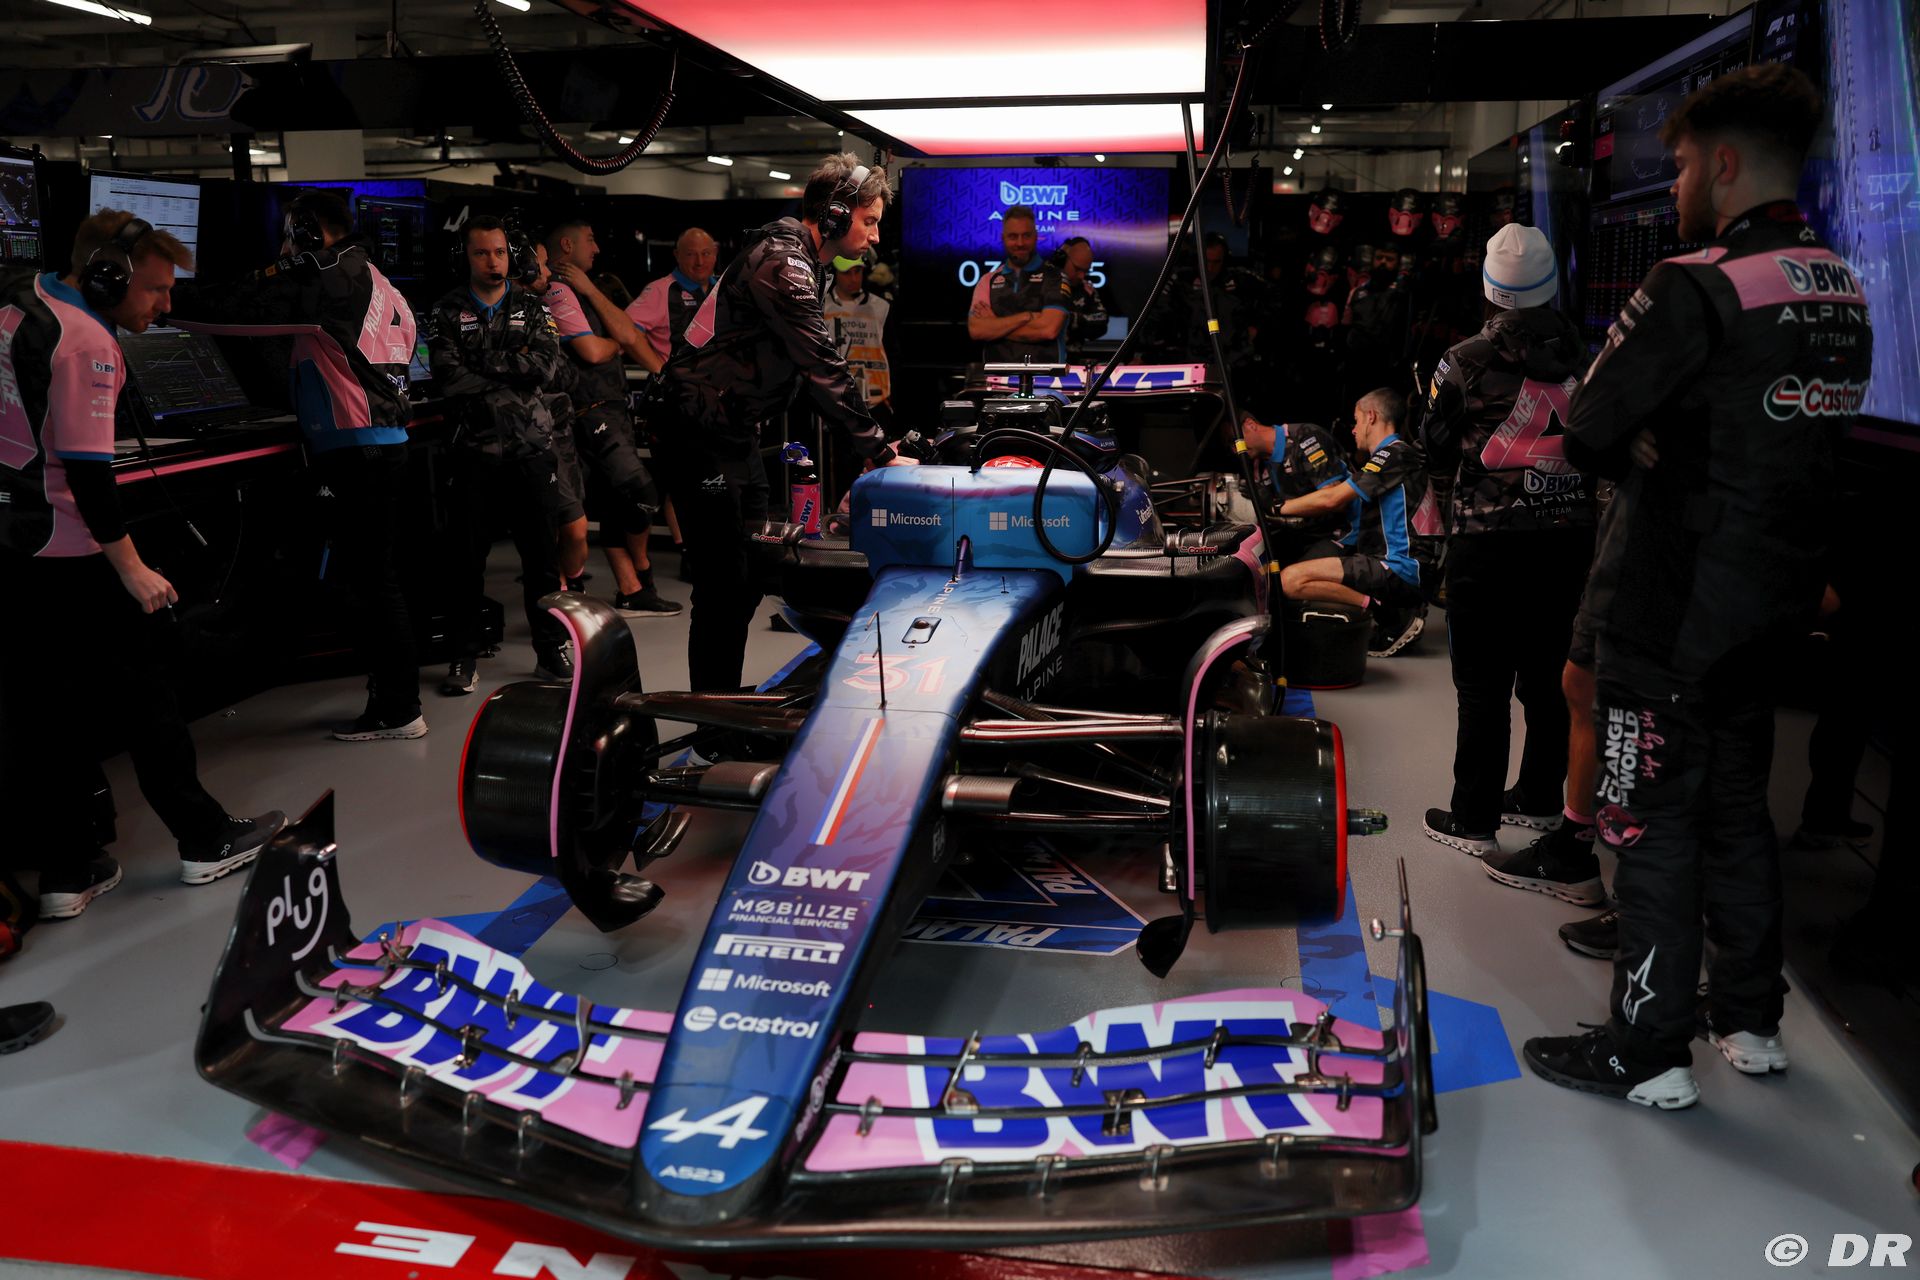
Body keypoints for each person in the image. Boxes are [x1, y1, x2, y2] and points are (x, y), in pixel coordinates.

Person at [1524, 64, 1872, 1110]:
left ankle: (1648, 1047)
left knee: (1646, 822)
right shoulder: (1842, 286)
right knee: (1736, 809)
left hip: (1671, 606)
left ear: (1722, 165)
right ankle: (1750, 1018)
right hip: (1773, 606)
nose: (1673, 184)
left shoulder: (1695, 282)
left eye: (1677, 165)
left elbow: (1586, 431)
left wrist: (1655, 437)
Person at [0, 210, 282, 917]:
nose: (165, 303)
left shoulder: (18, 302)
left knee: (45, 713)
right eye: (155, 289)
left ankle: (68, 872)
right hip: (73, 550)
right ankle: (205, 837)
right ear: (107, 278)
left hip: (12, 550)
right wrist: (132, 569)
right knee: (147, 693)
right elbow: (91, 478)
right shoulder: (88, 342)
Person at [170, 189, 424, 740]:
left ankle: (398, 710)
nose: (284, 248)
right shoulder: (375, 277)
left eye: (290, 236)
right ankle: (397, 702)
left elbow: (232, 306)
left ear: (310, 232)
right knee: (375, 579)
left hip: (356, 447)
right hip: (382, 443)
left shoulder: (322, 273)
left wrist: (148, 295)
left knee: (370, 585)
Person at [655, 152, 902, 692]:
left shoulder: (800, 259)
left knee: (745, 578)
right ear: (835, 215)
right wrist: (879, 449)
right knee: (722, 584)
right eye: (869, 221)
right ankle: (710, 718)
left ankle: (722, 700)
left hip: (730, 432)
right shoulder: (783, 262)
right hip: (698, 435)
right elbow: (821, 364)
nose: (875, 236)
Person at [1417, 224, 1598, 877]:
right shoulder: (1589, 357)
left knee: (1482, 685)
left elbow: (1434, 442)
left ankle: (1474, 818)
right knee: (1550, 679)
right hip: (1570, 542)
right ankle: (1543, 798)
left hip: (1488, 543)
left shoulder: (1463, 360)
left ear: (1491, 289)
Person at [426, 216, 581, 692]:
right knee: (465, 561)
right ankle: (463, 656)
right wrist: (513, 362)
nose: (492, 262)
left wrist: (481, 360)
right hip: (471, 451)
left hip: (530, 450)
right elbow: (448, 377)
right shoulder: (445, 310)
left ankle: (549, 650)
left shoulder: (534, 306)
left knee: (541, 560)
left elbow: (544, 368)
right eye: (481, 253)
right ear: (465, 257)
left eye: (499, 252)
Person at [543, 219, 679, 620]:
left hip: (613, 407)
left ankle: (634, 589)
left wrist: (590, 291)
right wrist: (614, 341)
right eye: (590, 239)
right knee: (640, 492)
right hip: (586, 411)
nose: (597, 247)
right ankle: (633, 575)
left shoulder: (586, 287)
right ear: (567, 245)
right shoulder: (555, 289)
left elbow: (629, 335)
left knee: (617, 500)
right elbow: (594, 351)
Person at [1275, 387, 1441, 656]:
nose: (1353, 429)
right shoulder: (1390, 457)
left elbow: (1332, 499)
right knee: (1303, 573)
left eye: (1356, 420)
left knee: (1289, 580)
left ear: (1371, 417)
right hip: (1399, 565)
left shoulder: (1393, 454)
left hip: (1400, 568)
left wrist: (1276, 508)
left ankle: (1389, 614)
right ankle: (1389, 609)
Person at [966, 204, 1069, 364]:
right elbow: (977, 330)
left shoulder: (1055, 277)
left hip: (1046, 377)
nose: (1020, 243)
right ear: (1003, 238)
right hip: (997, 377)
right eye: (1013, 236)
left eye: (1026, 235)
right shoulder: (988, 281)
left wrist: (995, 325)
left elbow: (1048, 330)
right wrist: (1026, 317)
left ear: (1036, 236)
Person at [1238, 412, 1352, 547]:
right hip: (1300, 536)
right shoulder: (1256, 464)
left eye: (1235, 440)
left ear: (1250, 425)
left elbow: (1335, 500)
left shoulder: (1305, 436)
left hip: (1341, 533)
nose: (1235, 449)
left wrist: (1275, 506)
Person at [626, 227, 719, 371]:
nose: (700, 262)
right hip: (682, 383)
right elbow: (625, 330)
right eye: (690, 254)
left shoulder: (726, 288)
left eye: (705, 253)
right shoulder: (660, 290)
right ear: (677, 255)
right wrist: (660, 371)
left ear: (715, 253)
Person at [823, 255, 892, 408]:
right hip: (836, 397)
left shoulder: (881, 306)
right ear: (834, 273)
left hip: (877, 398)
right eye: (846, 273)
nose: (854, 278)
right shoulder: (821, 308)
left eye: (857, 271)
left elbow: (892, 352)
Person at [1055, 238, 1110, 363]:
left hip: (1072, 362)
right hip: (1041, 360)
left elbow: (1101, 322)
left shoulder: (1086, 289)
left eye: (1085, 271)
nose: (1081, 276)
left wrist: (1069, 318)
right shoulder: (1042, 284)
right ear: (1062, 261)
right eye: (1077, 269)